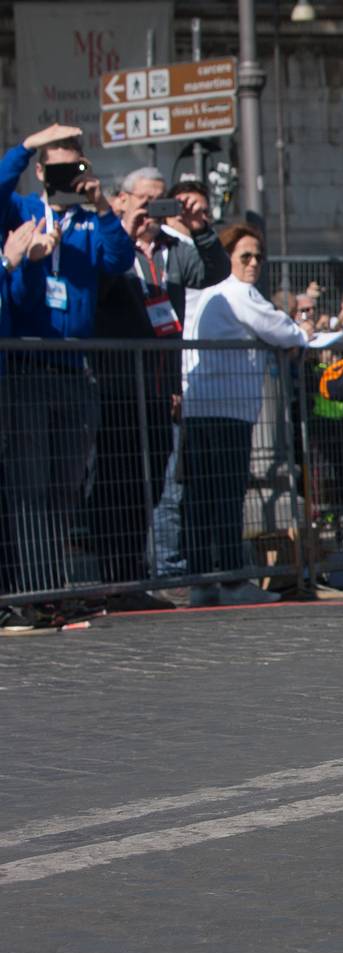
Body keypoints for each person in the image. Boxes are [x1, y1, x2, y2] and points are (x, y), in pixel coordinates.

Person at [1, 127, 134, 610]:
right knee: (29, 485)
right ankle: (33, 588)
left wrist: (101, 205)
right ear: (40, 171)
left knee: (65, 483)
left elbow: (119, 260)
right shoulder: (22, 212)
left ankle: (54, 582)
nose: (64, 176)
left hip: (74, 370)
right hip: (27, 366)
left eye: (73, 168)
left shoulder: (87, 222)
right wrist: (28, 143)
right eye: (54, 168)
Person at [90, 169, 230, 608]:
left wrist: (200, 228)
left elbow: (214, 272)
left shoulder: (172, 251)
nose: (150, 210)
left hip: (158, 386)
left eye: (158, 201)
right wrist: (122, 235)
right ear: (123, 200)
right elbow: (100, 286)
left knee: (148, 487)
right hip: (115, 385)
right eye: (144, 200)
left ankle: (132, 580)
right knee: (117, 485)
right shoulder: (109, 244)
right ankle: (113, 579)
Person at [180, 224, 308, 607]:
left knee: (203, 496)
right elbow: (278, 327)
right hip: (227, 407)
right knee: (225, 496)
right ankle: (232, 581)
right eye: (245, 257)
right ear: (229, 258)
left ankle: (203, 581)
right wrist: (303, 335)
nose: (253, 264)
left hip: (202, 406)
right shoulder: (237, 292)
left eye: (258, 257)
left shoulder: (206, 294)